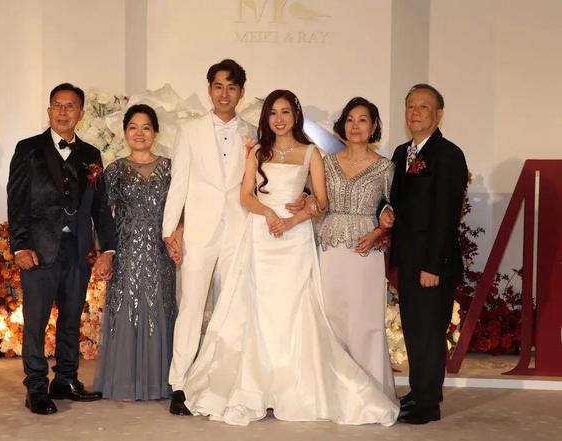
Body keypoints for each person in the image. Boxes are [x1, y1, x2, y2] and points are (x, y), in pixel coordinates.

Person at [181, 90, 399, 426]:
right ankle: (256, 386)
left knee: (295, 307)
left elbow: (321, 202)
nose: (279, 119)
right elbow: (245, 196)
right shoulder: (258, 151)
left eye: (285, 112)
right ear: (266, 118)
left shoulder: (312, 153)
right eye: (273, 113)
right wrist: (269, 215)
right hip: (260, 236)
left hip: (295, 240)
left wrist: (293, 220)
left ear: (295, 116)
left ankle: (292, 386)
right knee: (256, 308)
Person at [162, 59, 304, 415]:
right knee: (191, 306)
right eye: (218, 86)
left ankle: (222, 383)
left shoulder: (254, 134)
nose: (224, 93)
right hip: (199, 231)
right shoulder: (190, 130)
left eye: (232, 87)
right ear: (210, 89)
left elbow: (271, 179)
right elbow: (179, 182)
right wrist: (171, 230)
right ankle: (179, 384)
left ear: (241, 92)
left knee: (232, 310)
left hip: (241, 230)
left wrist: (305, 198)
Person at [7, 83, 115, 415]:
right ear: (49, 110)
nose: (63, 111)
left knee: (71, 318)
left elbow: (100, 207)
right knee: (36, 321)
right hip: (39, 250)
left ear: (80, 113)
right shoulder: (28, 149)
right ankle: (36, 387)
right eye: (57, 105)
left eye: (70, 106)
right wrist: (21, 246)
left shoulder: (91, 155)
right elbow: (17, 200)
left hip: (78, 249)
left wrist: (107, 249)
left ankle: (65, 380)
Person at [381, 84, 468, 424]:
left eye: (424, 106)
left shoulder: (448, 154)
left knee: (430, 332)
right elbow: (394, 197)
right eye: (410, 106)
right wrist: (385, 211)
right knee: (415, 330)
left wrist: (433, 265)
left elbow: (446, 214)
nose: (415, 112)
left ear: (439, 114)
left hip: (433, 263)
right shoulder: (402, 152)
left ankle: (428, 405)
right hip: (408, 258)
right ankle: (419, 392)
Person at [93, 104, 176, 400]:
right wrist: (105, 253)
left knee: (159, 308)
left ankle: (158, 382)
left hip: (160, 252)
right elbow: (102, 217)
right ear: (124, 132)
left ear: (156, 132)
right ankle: (125, 382)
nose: (139, 133)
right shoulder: (114, 170)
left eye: (146, 127)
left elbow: (182, 208)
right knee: (125, 308)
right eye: (133, 127)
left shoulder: (171, 168)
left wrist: (178, 235)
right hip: (126, 251)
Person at [317, 97, 396, 399]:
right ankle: (335, 393)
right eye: (350, 119)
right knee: (331, 317)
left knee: (364, 319)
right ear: (342, 125)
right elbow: (317, 200)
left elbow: (393, 206)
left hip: (366, 250)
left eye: (363, 120)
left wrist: (381, 227)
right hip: (330, 250)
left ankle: (369, 393)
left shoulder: (385, 167)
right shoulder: (326, 163)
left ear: (374, 127)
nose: (355, 125)